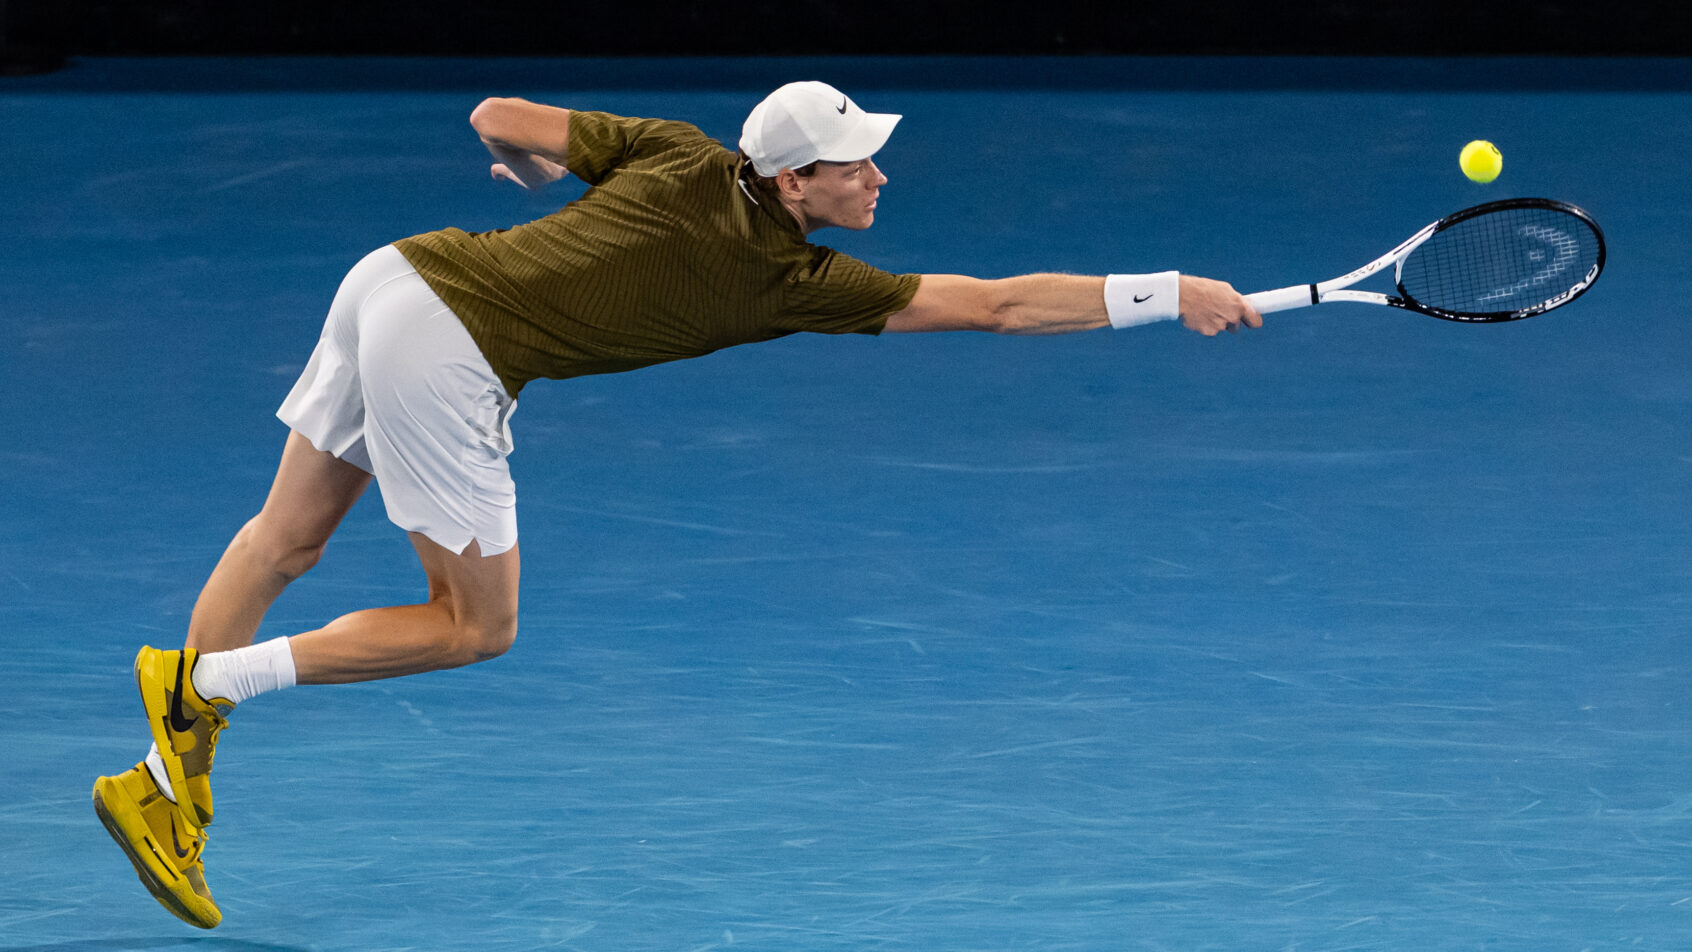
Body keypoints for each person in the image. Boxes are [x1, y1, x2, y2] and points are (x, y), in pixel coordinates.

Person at [92, 80, 1262, 929]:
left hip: (394, 275)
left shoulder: (671, 149)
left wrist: (541, 167)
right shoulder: (793, 278)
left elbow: (496, 114)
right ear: (793, 181)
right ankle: (203, 685)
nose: (879, 175)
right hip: (454, 349)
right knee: (472, 624)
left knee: (283, 537)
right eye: (855, 163)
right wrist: (1176, 291)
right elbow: (1002, 307)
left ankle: (164, 781)